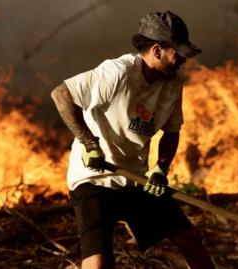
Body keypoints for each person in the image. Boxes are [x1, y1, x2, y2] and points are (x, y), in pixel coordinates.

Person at [51, 10, 215, 269]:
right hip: (94, 178)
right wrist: (89, 143)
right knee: (98, 263)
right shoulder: (117, 73)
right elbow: (61, 94)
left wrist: (161, 168)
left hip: (136, 178)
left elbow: (171, 132)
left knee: (190, 239)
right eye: (178, 52)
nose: (183, 59)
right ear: (158, 50)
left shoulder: (172, 84)